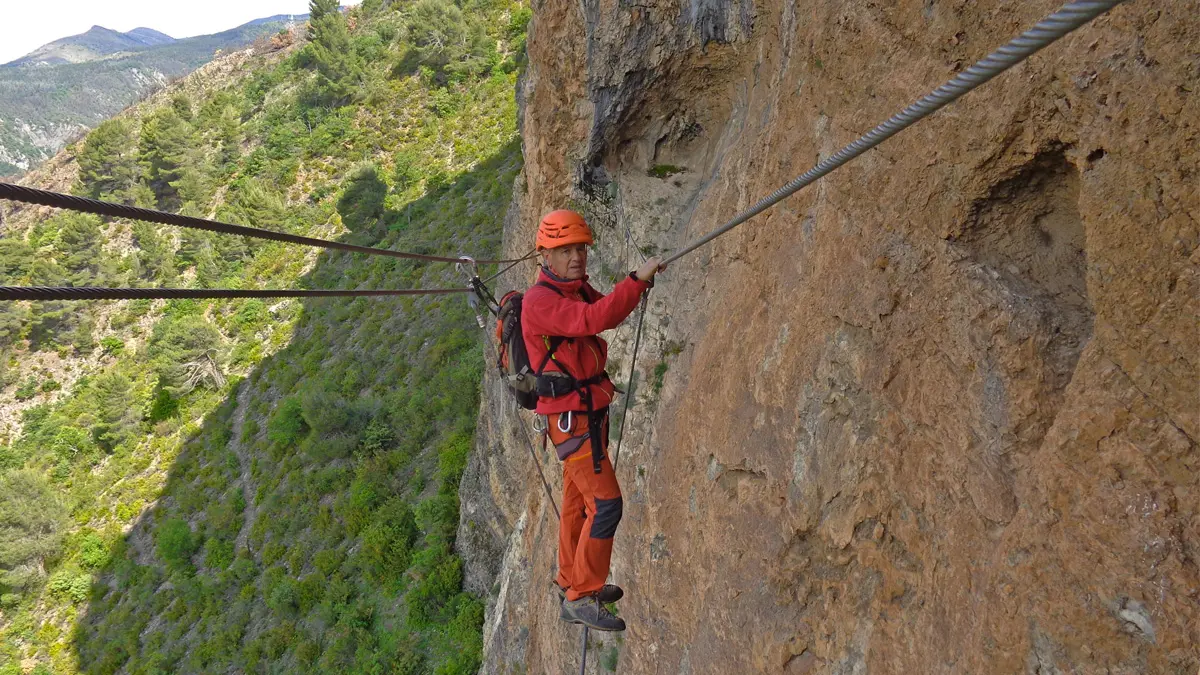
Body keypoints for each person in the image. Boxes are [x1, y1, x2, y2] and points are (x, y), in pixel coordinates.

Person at [521, 209, 664, 632]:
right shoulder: (541, 301)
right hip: (572, 420)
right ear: (544, 255)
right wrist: (634, 284)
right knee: (606, 505)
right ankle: (581, 594)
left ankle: (571, 578)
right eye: (565, 250)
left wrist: (634, 284)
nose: (577, 257)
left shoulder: (575, 288)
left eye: (580, 248)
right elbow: (594, 320)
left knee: (576, 505)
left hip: (583, 413)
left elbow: (601, 306)